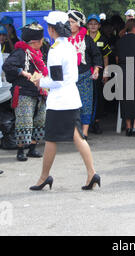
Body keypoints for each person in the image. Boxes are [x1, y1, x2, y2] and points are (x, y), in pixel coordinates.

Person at [30, 11, 100, 191]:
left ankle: (44, 177)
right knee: (78, 137)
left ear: (52, 29)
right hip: (71, 98)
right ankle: (92, 173)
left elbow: (56, 80)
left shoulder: (55, 50)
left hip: (60, 101)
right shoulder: (69, 46)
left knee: (52, 139)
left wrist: (39, 81)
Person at [2, 23, 47, 161]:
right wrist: (21, 72)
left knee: (39, 120)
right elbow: (7, 65)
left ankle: (33, 148)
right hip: (24, 92)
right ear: (34, 42)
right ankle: (21, 150)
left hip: (39, 92)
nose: (42, 43)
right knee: (24, 122)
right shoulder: (20, 52)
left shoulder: (40, 53)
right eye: (41, 41)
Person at [68, 10, 103, 139]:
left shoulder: (87, 39)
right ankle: (73, 131)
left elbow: (96, 55)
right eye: (68, 22)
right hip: (68, 78)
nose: (69, 24)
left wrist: (96, 69)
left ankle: (85, 131)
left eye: (72, 22)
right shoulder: (64, 40)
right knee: (70, 104)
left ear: (78, 24)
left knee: (86, 103)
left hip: (85, 75)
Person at [86, 14, 112, 134]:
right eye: (90, 24)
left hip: (99, 72)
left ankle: (96, 122)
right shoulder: (82, 37)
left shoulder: (103, 39)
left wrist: (106, 73)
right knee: (86, 97)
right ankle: (85, 123)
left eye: (95, 24)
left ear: (99, 25)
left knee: (98, 98)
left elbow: (105, 57)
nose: (93, 26)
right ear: (87, 25)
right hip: (85, 72)